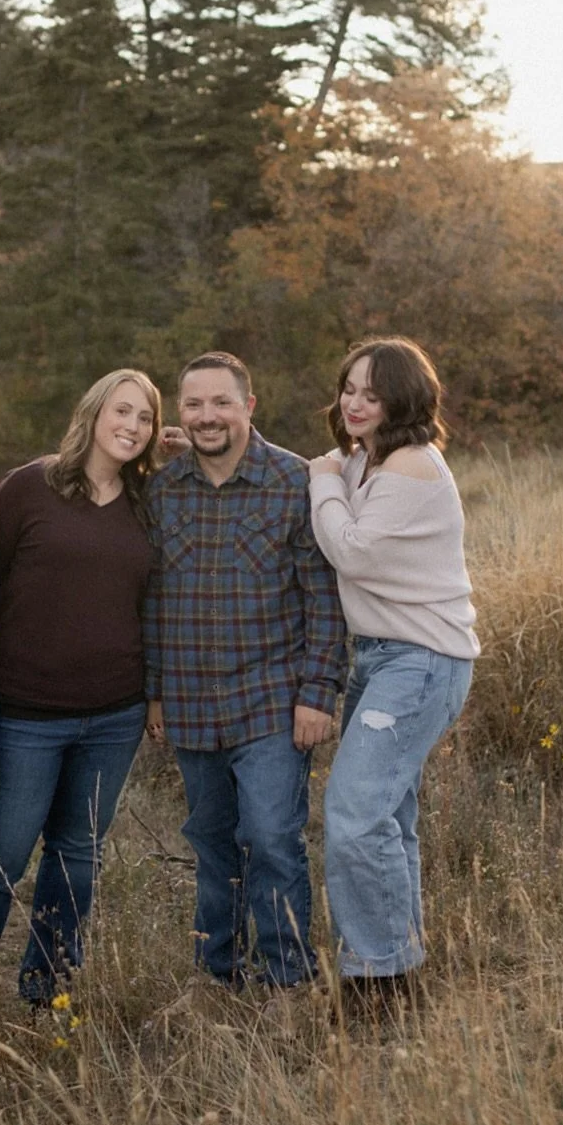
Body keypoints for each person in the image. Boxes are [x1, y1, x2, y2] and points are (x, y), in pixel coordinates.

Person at [0, 369, 161, 1023]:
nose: (131, 426)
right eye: (121, 411)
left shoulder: (149, 500)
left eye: (145, 418)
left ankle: (47, 991)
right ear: (93, 412)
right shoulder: (30, 487)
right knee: (0, 861)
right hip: (26, 713)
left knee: (78, 858)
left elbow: (155, 603)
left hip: (115, 713)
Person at [144, 352, 347, 990]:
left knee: (270, 838)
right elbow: (148, 598)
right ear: (179, 414)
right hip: (189, 702)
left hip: (271, 700)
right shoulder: (162, 488)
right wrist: (153, 692)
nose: (208, 417)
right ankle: (219, 978)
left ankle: (287, 980)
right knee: (210, 844)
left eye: (221, 402)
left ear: (248, 406)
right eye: (194, 405)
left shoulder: (294, 482)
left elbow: (324, 598)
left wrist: (318, 693)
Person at [308, 337, 478, 996]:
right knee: (386, 819)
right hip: (381, 660)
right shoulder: (366, 462)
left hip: (422, 661)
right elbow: (320, 473)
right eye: (348, 388)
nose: (353, 403)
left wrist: (323, 478)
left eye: (370, 394)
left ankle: (376, 980)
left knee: (354, 814)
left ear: (400, 399)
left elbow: (350, 548)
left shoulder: (411, 465)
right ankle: (398, 973)